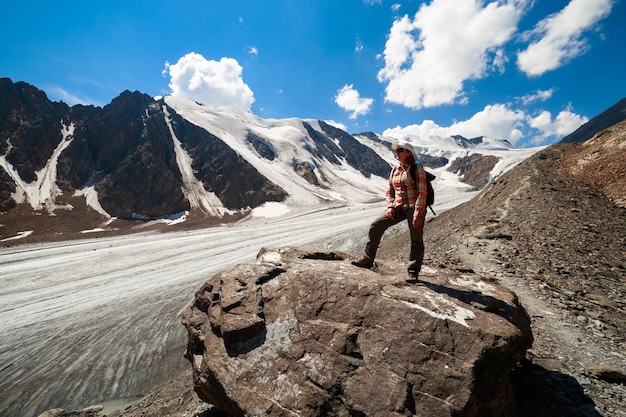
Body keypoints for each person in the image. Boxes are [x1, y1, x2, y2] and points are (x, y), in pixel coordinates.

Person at [352, 140, 428, 279]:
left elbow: (422, 192)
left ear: (408, 153)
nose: (396, 153)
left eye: (399, 150)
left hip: (413, 207)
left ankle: (413, 271)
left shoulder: (417, 168)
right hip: (398, 207)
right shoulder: (395, 170)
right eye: (396, 150)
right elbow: (390, 192)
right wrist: (390, 206)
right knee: (376, 225)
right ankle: (368, 259)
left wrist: (418, 212)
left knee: (416, 238)